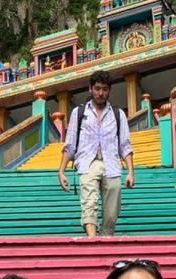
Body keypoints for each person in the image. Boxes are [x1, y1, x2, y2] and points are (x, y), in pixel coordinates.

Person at [58, 71, 135, 237]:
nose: (101, 93)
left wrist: (130, 172)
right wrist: (61, 171)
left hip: (111, 164)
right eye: (97, 88)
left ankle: (105, 238)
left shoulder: (118, 114)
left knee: (112, 208)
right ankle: (92, 240)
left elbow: (125, 145)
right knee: (89, 201)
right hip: (88, 162)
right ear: (90, 89)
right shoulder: (78, 113)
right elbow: (70, 144)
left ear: (109, 90)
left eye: (105, 89)